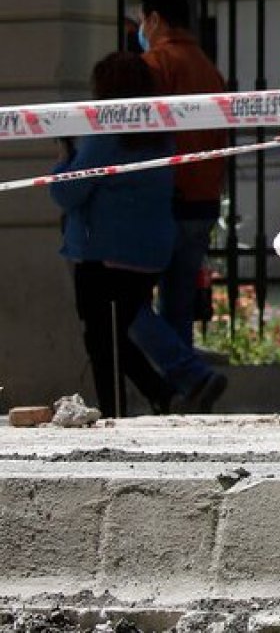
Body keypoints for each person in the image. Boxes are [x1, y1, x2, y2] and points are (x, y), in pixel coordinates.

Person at [50, 52, 228, 417]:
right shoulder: (158, 134)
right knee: (117, 332)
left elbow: (67, 191)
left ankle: (119, 410)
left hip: (103, 252)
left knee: (101, 339)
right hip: (147, 253)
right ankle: (165, 393)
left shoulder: (107, 134)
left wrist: (65, 158)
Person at [137, 0, 227, 348]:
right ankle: (185, 385)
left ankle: (182, 378)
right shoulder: (208, 69)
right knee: (179, 305)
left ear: (155, 19)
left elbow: (141, 132)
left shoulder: (156, 65)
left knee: (132, 305)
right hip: (204, 200)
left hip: (167, 198)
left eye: (144, 21)